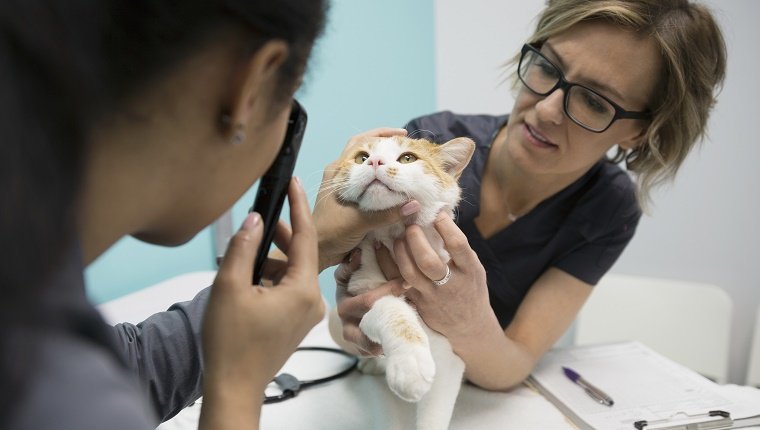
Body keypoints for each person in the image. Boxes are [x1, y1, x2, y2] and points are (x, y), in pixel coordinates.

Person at [315, 0, 727, 391]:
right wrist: (355, 327)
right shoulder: (433, 146)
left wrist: (469, 320)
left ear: (641, 132)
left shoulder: (607, 209)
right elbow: (348, 312)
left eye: (594, 101)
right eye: (548, 67)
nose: (546, 110)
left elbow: (514, 362)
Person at [0, 1, 328, 429]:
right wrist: (237, 391)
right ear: (252, 84)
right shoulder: (54, 392)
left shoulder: (32, 269)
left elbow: (119, 367)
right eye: (291, 97)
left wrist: (323, 243)